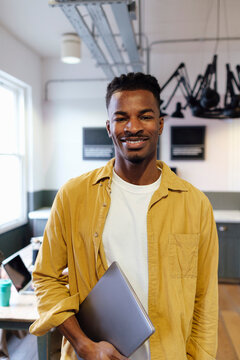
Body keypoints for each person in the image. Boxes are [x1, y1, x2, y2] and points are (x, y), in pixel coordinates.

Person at [30, 72, 219, 360]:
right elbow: (46, 278)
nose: (133, 127)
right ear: (109, 127)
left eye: (144, 116)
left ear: (160, 124)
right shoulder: (73, 195)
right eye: (121, 118)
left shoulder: (195, 205)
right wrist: (82, 343)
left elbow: (205, 301)